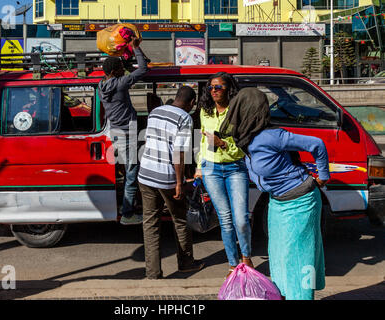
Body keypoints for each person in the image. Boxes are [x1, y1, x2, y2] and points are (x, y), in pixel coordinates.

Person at [220, 87, 329, 300]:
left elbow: (317, 144)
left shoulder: (272, 136)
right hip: (277, 203)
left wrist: (323, 175)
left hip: (301, 202)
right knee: (279, 260)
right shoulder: (245, 139)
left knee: (299, 260)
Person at [138, 86, 204, 279]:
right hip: (166, 177)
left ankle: (153, 273)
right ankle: (186, 263)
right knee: (180, 220)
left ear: (175, 97)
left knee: (150, 224)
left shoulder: (155, 112)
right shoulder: (184, 118)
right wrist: (178, 182)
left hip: (145, 174)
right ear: (192, 103)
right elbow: (178, 153)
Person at [194, 72, 254, 277]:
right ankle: (232, 263)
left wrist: (223, 144)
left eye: (218, 87)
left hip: (235, 167)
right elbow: (203, 140)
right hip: (211, 168)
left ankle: (246, 256)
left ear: (229, 89)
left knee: (241, 219)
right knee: (225, 219)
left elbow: (244, 145)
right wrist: (199, 166)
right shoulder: (205, 111)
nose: (214, 91)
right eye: (211, 87)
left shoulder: (239, 111)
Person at [98, 37, 149, 226]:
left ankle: (128, 205)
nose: (123, 70)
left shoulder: (101, 86)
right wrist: (135, 48)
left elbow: (126, 72)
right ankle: (128, 213)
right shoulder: (120, 84)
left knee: (127, 169)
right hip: (129, 132)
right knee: (132, 172)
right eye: (120, 68)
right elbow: (143, 70)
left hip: (116, 132)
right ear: (114, 72)